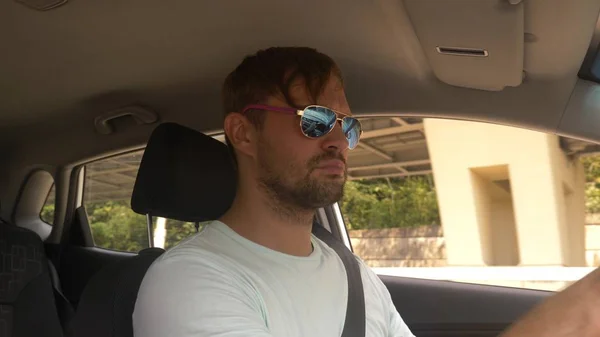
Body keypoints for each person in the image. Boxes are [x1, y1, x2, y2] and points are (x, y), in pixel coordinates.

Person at [133, 47, 600, 337]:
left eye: (348, 126)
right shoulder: (189, 283)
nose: (338, 140)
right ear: (244, 134)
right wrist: (574, 318)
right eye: (314, 120)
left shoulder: (352, 272)